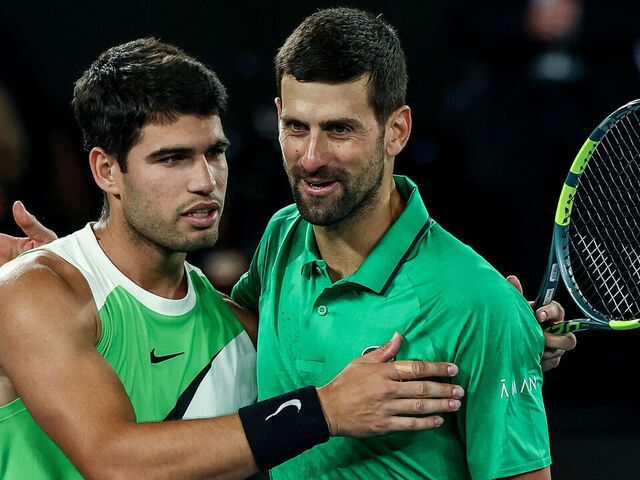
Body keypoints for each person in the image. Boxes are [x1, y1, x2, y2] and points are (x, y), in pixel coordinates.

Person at [0, 38, 467, 480]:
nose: (205, 181)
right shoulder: (34, 291)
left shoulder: (242, 334)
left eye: (215, 153)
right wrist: (322, 411)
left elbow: (368, 380)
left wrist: (495, 322)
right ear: (107, 170)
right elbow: (115, 461)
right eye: (173, 158)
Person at [229, 8, 575, 479]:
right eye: (295, 127)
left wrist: (505, 333)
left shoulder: (479, 303)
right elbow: (230, 336)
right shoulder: (283, 235)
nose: (311, 158)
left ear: (397, 131)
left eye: (339, 129)